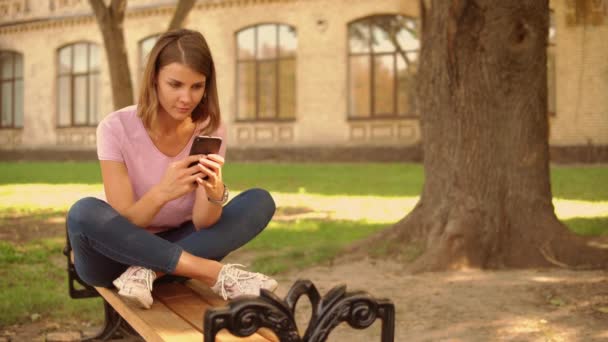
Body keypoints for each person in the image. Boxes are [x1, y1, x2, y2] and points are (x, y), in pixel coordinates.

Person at [67, 29, 277, 309]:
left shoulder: (210, 128)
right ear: (154, 79)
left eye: (196, 86)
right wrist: (163, 192)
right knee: (83, 213)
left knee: (260, 201)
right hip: (116, 257)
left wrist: (214, 192)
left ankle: (148, 272)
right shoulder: (115, 128)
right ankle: (213, 274)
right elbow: (128, 222)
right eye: (175, 84)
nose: (186, 98)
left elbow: (203, 223)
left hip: (177, 247)